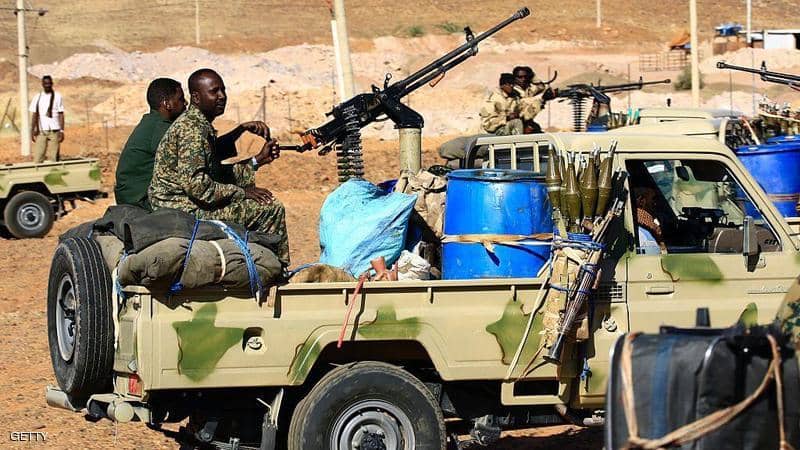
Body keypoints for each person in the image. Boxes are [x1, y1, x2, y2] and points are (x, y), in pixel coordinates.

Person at [148, 68, 290, 265]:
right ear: (196, 98)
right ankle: (275, 269)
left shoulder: (198, 125)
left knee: (261, 203)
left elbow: (213, 174)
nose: (222, 96)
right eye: (214, 91)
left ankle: (260, 264)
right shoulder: (192, 131)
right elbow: (198, 187)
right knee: (270, 208)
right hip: (183, 211)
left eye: (223, 90)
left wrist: (257, 160)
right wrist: (241, 193)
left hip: (188, 205)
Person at [114, 78, 186, 210]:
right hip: (141, 201)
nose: (185, 103)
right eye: (181, 99)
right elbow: (191, 160)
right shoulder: (162, 129)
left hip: (134, 197)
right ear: (167, 104)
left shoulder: (153, 122)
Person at [29, 75, 65, 163]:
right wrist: (32, 130)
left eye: (49, 83)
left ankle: (53, 171)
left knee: (54, 158)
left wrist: (61, 131)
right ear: (42, 84)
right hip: (42, 131)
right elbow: (35, 114)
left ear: (52, 84)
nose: (47, 85)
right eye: (45, 83)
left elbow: (61, 114)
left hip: (54, 130)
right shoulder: (37, 97)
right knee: (38, 157)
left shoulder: (57, 96)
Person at [512, 66, 556, 134]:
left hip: (528, 118)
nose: (523, 79)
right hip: (518, 121)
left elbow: (541, 86)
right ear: (514, 78)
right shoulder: (513, 91)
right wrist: (542, 99)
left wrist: (533, 76)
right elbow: (524, 102)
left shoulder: (528, 89)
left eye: (525, 76)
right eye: (520, 77)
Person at [633, 186, 666, 255]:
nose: (654, 202)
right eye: (653, 198)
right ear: (641, 200)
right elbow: (657, 236)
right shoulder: (643, 215)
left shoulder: (636, 214)